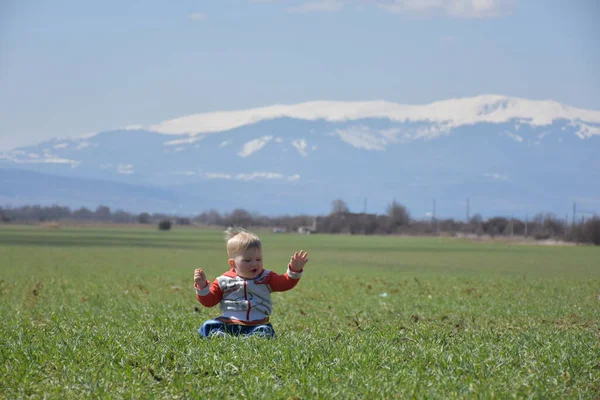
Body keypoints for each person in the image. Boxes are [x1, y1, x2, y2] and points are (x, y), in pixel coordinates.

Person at [194, 227, 308, 338]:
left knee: (265, 331)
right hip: (229, 323)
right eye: (247, 260)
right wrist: (202, 286)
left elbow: (285, 283)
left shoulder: (266, 277)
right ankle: (222, 336)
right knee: (207, 326)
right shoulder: (223, 280)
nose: (254, 264)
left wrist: (294, 270)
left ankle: (252, 337)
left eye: (258, 259)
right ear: (233, 263)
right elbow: (209, 301)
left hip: (256, 324)